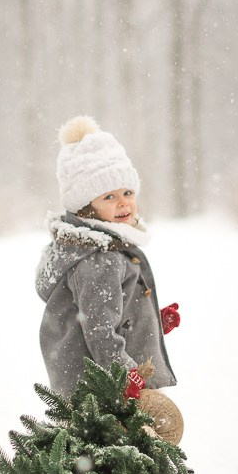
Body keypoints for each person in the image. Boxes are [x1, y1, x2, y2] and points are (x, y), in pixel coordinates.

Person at [36, 115, 180, 399]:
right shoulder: (98, 259)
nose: (124, 202)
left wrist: (150, 319)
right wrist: (126, 377)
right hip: (99, 390)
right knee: (165, 426)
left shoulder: (104, 247)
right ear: (86, 207)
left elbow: (108, 310)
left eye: (127, 192)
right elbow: (100, 330)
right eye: (109, 197)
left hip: (96, 381)